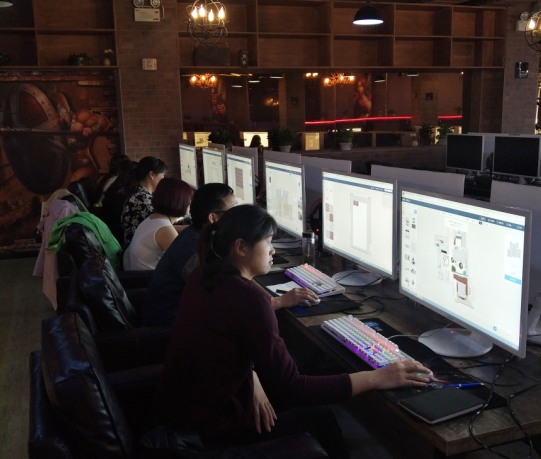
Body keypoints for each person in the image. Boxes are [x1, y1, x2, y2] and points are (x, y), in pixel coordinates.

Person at [152, 205, 432, 458]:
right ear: (241, 247)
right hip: (209, 431)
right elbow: (295, 389)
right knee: (321, 418)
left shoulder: (204, 274)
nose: (273, 250)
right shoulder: (250, 299)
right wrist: (377, 377)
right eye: (268, 242)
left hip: (181, 413)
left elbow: (222, 342)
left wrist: (252, 377)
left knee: (295, 379)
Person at [141, 184, 317, 327]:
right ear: (213, 218)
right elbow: (228, 302)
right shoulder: (196, 252)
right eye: (233, 209)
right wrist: (279, 301)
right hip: (168, 327)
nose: (238, 214)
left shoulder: (199, 237)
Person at [125, 178, 193, 270]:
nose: (190, 204)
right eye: (189, 200)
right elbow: (187, 264)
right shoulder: (164, 229)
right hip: (147, 277)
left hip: (139, 274)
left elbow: (167, 229)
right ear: (180, 202)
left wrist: (190, 228)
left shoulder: (154, 218)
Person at [121, 156, 167, 244]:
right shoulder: (143, 200)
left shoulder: (138, 192)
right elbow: (162, 227)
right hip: (140, 246)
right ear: (151, 175)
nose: (163, 179)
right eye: (162, 175)